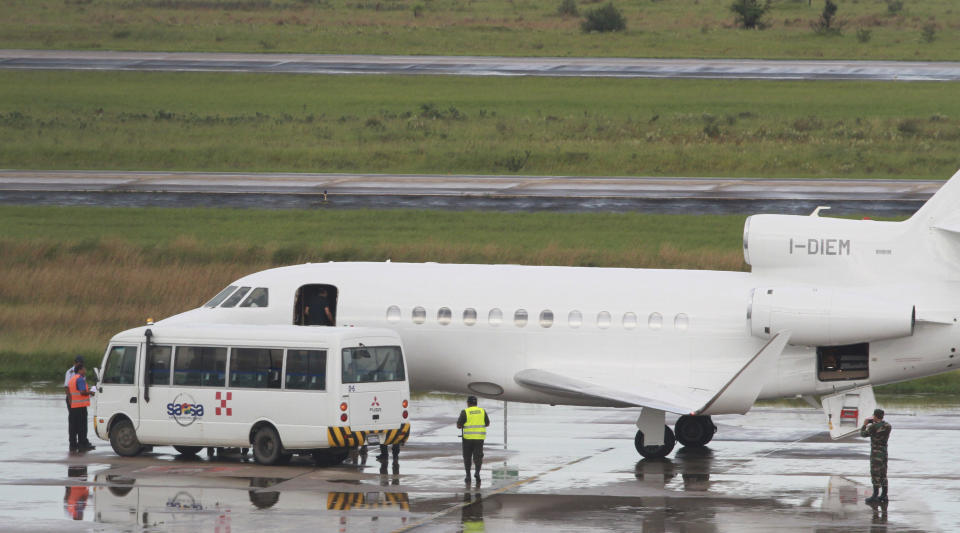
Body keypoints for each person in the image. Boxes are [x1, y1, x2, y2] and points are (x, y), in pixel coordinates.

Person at [860, 408, 891, 504]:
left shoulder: (873, 427)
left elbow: (863, 434)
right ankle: (884, 495)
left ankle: (875, 495)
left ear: (875, 416)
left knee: (875, 473)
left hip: (876, 453)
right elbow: (880, 428)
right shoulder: (888, 426)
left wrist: (865, 424)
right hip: (884, 452)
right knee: (883, 473)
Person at [456, 396, 490, 485]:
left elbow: (459, 425)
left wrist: (464, 425)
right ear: (476, 403)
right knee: (478, 457)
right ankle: (477, 473)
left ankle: (468, 476)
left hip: (467, 439)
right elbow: (487, 423)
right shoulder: (482, 411)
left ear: (468, 403)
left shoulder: (465, 412)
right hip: (479, 438)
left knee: (467, 457)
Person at [68, 365, 95, 452]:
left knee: (73, 427)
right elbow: (83, 392)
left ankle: (73, 445)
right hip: (80, 407)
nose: (85, 371)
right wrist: (91, 392)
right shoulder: (80, 379)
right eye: (84, 369)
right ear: (80, 370)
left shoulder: (72, 379)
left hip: (73, 407)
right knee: (82, 427)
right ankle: (82, 445)